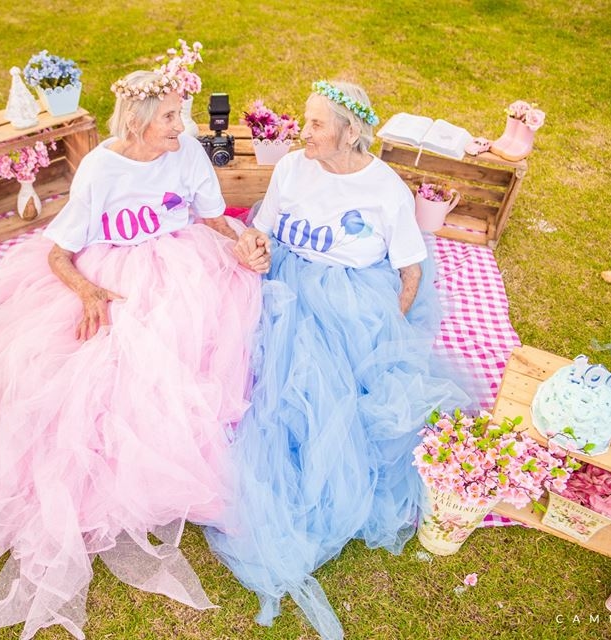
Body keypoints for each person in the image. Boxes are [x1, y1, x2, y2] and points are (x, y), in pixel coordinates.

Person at [0, 70, 265, 640]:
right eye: (173, 117)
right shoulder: (102, 167)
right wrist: (87, 291)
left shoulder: (189, 154)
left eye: (185, 113)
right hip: (115, 270)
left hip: (184, 265)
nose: (185, 125)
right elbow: (59, 253)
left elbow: (211, 216)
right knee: (101, 365)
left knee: (201, 336)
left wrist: (239, 239)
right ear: (138, 121)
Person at [204, 80, 483, 639]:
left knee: (319, 388)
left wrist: (387, 336)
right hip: (284, 277)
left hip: (348, 298)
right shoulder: (292, 169)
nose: (301, 132)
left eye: (314, 124)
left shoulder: (386, 190)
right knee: (234, 357)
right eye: (305, 121)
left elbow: (410, 273)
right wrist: (256, 249)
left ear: (350, 132)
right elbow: (262, 230)